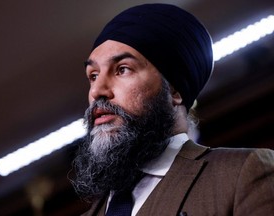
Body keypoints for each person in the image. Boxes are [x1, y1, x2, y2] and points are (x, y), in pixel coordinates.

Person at [70, 3, 274, 216]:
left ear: (174, 89)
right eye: (93, 75)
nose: (97, 91)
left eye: (122, 70)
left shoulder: (239, 175)